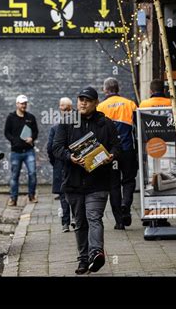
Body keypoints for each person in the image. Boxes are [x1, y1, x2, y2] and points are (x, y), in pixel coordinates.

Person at [53, 87, 121, 274]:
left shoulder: (105, 123)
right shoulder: (67, 123)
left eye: (87, 100)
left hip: (98, 182)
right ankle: (83, 260)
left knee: (94, 217)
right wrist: (70, 157)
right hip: (73, 182)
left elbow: (117, 145)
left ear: (96, 103)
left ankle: (96, 253)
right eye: (80, 99)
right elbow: (56, 148)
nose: (83, 103)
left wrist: (112, 155)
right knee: (80, 222)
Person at [97, 77, 138, 230]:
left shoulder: (100, 107)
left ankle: (119, 222)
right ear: (118, 88)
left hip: (110, 153)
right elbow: (138, 127)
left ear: (105, 90)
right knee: (128, 180)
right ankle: (125, 204)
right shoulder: (130, 104)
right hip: (127, 149)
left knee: (113, 185)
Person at [140, 80, 172, 227]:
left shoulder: (144, 104)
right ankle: (163, 217)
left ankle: (150, 213)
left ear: (151, 91)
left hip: (150, 145)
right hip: (167, 145)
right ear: (164, 90)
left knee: (150, 177)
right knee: (162, 172)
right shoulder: (170, 103)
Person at [4, 95, 39, 206]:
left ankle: (32, 196)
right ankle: (13, 199)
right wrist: (14, 141)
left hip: (29, 151)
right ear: (17, 104)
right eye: (22, 103)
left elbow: (36, 131)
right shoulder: (11, 117)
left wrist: (32, 138)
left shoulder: (30, 117)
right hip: (16, 152)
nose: (24, 105)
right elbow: (6, 132)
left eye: (25, 103)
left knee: (32, 173)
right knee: (15, 176)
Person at [47, 97, 73, 233]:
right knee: (73, 192)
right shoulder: (77, 125)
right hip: (72, 163)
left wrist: (55, 162)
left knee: (64, 194)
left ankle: (66, 223)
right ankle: (74, 219)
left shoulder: (55, 127)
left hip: (62, 164)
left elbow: (50, 148)